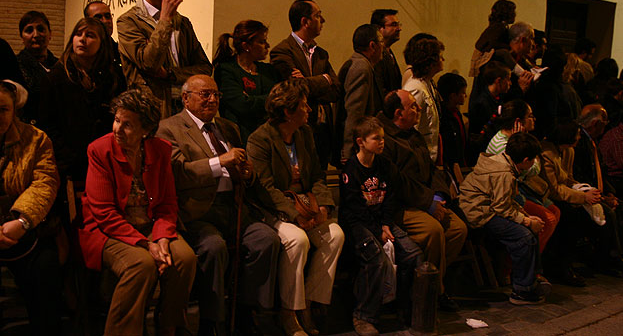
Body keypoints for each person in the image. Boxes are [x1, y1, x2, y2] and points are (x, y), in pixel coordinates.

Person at [157, 75, 280, 336]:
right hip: (198, 211)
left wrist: (247, 173)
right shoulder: (169, 128)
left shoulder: (228, 127)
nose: (212, 100)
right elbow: (177, 173)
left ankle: (247, 311)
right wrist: (220, 162)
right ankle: (211, 321)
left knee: (266, 239)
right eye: (205, 94)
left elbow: (245, 167)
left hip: (234, 207)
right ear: (186, 97)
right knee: (214, 247)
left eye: (216, 95)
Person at [77, 89, 197, 335]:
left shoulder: (160, 150)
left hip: (150, 226)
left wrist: (162, 238)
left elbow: (167, 203)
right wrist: (146, 244)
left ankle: (169, 327)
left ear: (146, 130)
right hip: (109, 230)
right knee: (142, 265)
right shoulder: (99, 150)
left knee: (184, 258)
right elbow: (104, 213)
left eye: (128, 125)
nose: (118, 129)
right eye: (117, 120)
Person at [247, 80, 345, 336]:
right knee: (297, 240)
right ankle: (289, 313)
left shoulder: (304, 134)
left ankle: (308, 305)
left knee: (335, 235)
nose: (309, 110)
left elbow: (316, 175)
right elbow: (265, 188)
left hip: (306, 204)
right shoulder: (260, 139)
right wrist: (294, 215)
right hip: (274, 210)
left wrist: (323, 204)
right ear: (288, 112)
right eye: (303, 106)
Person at [376, 90, 467, 311]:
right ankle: (433, 294)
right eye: (413, 107)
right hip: (400, 205)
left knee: (457, 228)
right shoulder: (384, 140)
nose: (418, 110)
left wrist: (437, 195)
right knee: (433, 231)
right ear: (399, 113)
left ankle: (427, 283)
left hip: (425, 198)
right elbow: (397, 182)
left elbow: (431, 168)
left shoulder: (413, 134)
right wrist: (428, 203)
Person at [339, 116, 423, 335]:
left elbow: (391, 197)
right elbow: (354, 208)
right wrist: (378, 230)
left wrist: (386, 224)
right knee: (375, 259)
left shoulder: (384, 165)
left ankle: (402, 309)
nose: (382, 142)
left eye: (383, 138)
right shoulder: (351, 169)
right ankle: (363, 316)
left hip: (381, 221)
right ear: (361, 141)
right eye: (376, 138)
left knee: (413, 254)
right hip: (358, 224)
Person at [40, 18, 127, 219]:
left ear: (102, 43)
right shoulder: (56, 77)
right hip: (68, 161)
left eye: (90, 35)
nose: (82, 40)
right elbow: (47, 124)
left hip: (106, 158)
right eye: (78, 34)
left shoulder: (113, 77)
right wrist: (69, 157)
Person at [459, 133, 551, 305]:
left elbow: (506, 201)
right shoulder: (504, 173)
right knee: (524, 237)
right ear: (525, 160)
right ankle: (522, 291)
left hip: (489, 208)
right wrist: (526, 221)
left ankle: (532, 280)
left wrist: (526, 216)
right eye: (534, 159)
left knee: (532, 227)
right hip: (479, 213)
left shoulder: (504, 162)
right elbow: (501, 207)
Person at [117, 0, 212, 118]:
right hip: (152, 110)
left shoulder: (183, 23)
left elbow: (204, 68)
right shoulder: (128, 21)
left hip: (184, 108)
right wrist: (165, 20)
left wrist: (170, 74)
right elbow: (150, 64)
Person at [0, 80, 61, 334]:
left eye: (3, 108)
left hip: (25, 228)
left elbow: (45, 183)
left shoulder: (36, 139)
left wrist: (22, 220)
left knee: (44, 272)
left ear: (15, 109)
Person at [540, 118, 623, 285]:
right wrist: (583, 197)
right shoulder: (547, 154)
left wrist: (587, 190)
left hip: (568, 194)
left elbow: (568, 179)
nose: (580, 138)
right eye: (577, 135)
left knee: (610, 209)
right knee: (575, 217)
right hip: (551, 197)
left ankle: (610, 257)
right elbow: (554, 190)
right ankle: (563, 266)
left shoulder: (568, 151)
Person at [270, 0, 340, 169]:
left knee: (320, 178)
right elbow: (294, 90)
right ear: (305, 21)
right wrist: (324, 79)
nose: (322, 20)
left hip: (323, 129)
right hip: (299, 128)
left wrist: (307, 83)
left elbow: (336, 90)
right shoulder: (282, 51)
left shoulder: (321, 53)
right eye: (318, 15)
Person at [484, 100, 560, 253]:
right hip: (507, 195)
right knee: (548, 219)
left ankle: (534, 266)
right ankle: (525, 268)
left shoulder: (514, 138)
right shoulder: (505, 144)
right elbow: (533, 169)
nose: (534, 119)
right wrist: (522, 143)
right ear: (518, 121)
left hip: (519, 189)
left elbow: (532, 168)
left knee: (555, 211)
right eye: (530, 116)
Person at [574, 104, 623, 262]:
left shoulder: (593, 142)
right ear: (595, 124)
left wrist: (610, 193)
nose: (605, 127)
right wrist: (600, 196)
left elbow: (602, 171)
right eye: (604, 123)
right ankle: (610, 258)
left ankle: (621, 251)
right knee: (609, 212)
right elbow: (580, 175)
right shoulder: (579, 143)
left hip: (599, 189)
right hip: (585, 191)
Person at [213, 20, 280, 143]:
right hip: (240, 139)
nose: (268, 46)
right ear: (246, 46)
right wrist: (270, 98)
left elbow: (280, 101)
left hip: (269, 136)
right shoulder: (226, 70)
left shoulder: (268, 71)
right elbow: (242, 105)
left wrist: (253, 99)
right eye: (261, 42)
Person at [337, 24, 385, 160]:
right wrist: (349, 151)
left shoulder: (360, 63)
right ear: (372, 46)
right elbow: (354, 113)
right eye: (381, 42)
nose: (384, 47)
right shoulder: (361, 68)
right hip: (357, 150)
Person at [402, 38, 445, 162]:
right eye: (440, 57)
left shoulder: (427, 83)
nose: (443, 60)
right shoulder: (416, 88)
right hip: (419, 157)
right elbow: (411, 127)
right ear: (430, 62)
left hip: (428, 155)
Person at [16, 11, 58, 125]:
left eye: (41, 29)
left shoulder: (61, 65)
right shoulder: (15, 66)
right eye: (29, 30)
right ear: (22, 37)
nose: (36, 35)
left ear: (50, 34)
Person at [84, 0, 126, 87]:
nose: (105, 21)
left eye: (108, 16)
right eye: (98, 17)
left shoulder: (121, 51)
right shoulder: (82, 53)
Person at [437, 72, 469, 168]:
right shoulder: (444, 117)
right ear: (452, 96)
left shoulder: (456, 112)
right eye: (463, 93)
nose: (465, 95)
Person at [370, 9, 403, 97]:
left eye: (398, 24)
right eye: (394, 25)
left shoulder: (389, 53)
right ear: (379, 28)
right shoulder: (375, 55)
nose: (399, 29)